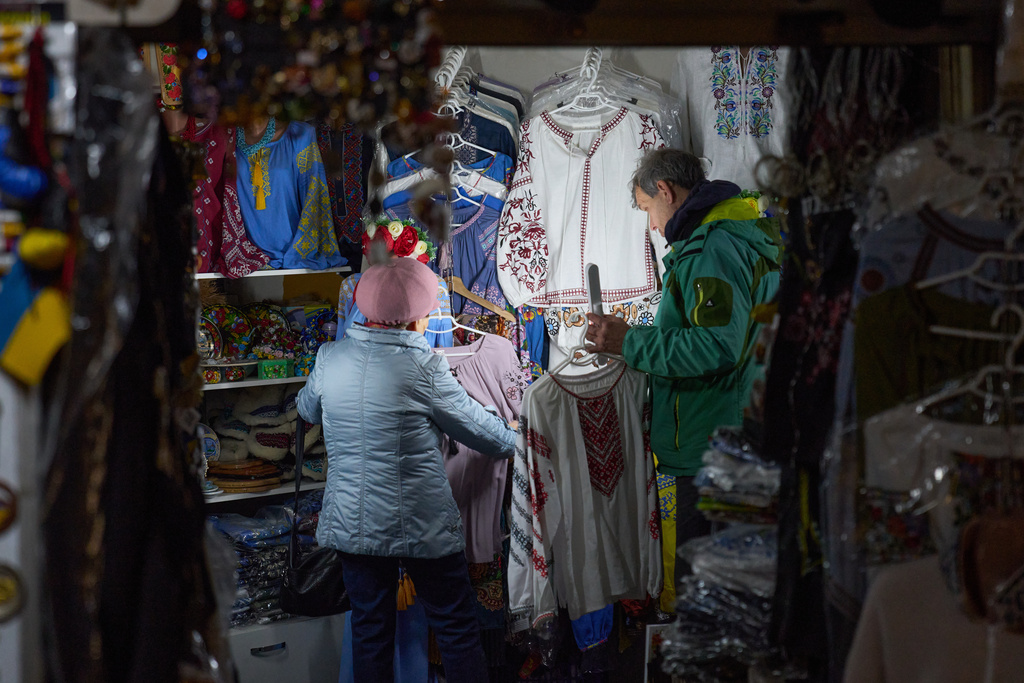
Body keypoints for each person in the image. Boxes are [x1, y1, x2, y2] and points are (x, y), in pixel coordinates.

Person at [296, 256, 518, 683]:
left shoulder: (329, 357)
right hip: (422, 526)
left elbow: (307, 409)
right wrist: (517, 436)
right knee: (456, 629)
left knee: (370, 632)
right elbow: (483, 434)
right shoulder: (425, 368)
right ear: (419, 314)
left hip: (353, 525)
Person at [585, 148, 782, 590]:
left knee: (707, 591)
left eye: (647, 210)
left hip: (713, 442)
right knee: (731, 586)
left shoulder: (712, 248)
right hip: (735, 431)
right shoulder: (737, 233)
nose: (652, 226)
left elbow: (715, 346)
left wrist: (628, 342)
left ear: (665, 191)